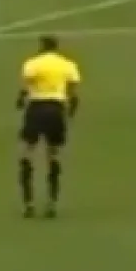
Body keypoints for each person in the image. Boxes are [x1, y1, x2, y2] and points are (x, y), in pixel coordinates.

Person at [17, 34, 80, 219]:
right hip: (56, 109)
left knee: (26, 153)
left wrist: (20, 100)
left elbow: (26, 85)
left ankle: (28, 203)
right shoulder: (67, 64)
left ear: (42, 46)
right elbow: (73, 90)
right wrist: (71, 110)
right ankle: (52, 202)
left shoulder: (33, 63)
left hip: (36, 108)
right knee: (53, 155)